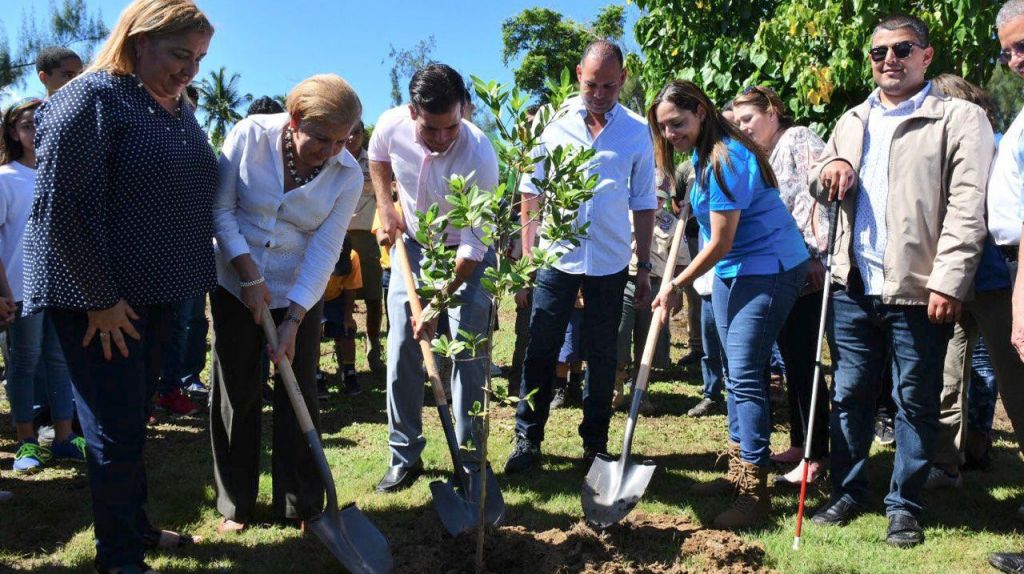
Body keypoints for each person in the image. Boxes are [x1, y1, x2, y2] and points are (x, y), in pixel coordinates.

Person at [24, 1, 217, 571]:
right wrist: (101, 300)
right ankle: (119, 557)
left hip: (156, 290)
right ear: (138, 40)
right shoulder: (90, 98)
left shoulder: (175, 106)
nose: (191, 71)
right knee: (114, 429)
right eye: (181, 54)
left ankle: (133, 527)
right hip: (98, 299)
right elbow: (63, 210)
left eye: (200, 58)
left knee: (133, 420)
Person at [808, 14, 993, 548]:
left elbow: (967, 206)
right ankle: (846, 490)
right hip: (853, 283)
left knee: (914, 399)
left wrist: (949, 281)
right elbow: (823, 186)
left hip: (919, 286)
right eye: (879, 52)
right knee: (850, 393)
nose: (890, 59)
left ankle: (904, 504)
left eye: (903, 49)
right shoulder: (851, 118)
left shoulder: (957, 119)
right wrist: (831, 169)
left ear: (926, 56)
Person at [649, 80, 808, 529]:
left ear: (701, 111)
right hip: (733, 270)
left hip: (770, 267)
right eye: (663, 128)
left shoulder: (726, 158)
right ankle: (739, 470)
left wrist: (676, 282)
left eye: (677, 123)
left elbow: (720, 241)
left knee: (745, 374)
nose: (671, 134)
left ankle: (753, 494)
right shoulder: (701, 156)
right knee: (732, 367)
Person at [209, 74, 363, 534]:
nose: (331, 151)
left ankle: (301, 501)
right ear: (294, 120)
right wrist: (248, 276)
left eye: (342, 140)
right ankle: (236, 502)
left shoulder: (347, 174)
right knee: (238, 386)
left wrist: (295, 317)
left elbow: (325, 247)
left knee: (300, 387)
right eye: (321, 139)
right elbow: (221, 210)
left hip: (299, 287)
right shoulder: (248, 135)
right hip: (236, 279)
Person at [504, 40, 657, 473]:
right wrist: (530, 254)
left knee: (603, 354)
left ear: (623, 80)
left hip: (610, 262)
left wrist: (644, 265)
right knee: (541, 350)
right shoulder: (551, 125)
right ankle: (527, 440)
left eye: (610, 86)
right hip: (556, 258)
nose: (600, 94)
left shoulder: (635, 131)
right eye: (592, 85)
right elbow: (530, 192)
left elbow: (644, 201)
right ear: (578, 75)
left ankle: (595, 446)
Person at [369, 63, 499, 492]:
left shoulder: (480, 153)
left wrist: (436, 304)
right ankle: (404, 455)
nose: (442, 138)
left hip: (467, 255)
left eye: (451, 127)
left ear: (463, 109)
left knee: (469, 353)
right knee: (403, 347)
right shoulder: (390, 125)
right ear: (412, 113)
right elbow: (377, 157)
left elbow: (472, 248)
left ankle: (471, 459)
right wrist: (387, 209)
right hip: (414, 248)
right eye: (431, 129)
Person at [925, 73, 1024, 492]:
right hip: (954, 279)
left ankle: (983, 450)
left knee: (1012, 380)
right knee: (946, 374)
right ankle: (946, 463)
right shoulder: (942, 147)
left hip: (996, 277)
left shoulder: (994, 144)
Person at [732, 85, 829, 487]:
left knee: (807, 361)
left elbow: (816, 200)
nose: (743, 128)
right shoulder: (763, 156)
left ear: (772, 111)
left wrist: (814, 255)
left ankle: (817, 454)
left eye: (748, 119)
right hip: (783, 271)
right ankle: (799, 442)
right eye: (736, 123)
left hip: (806, 266)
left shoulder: (798, 138)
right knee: (791, 358)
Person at [0, 97, 85, 473]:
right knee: (24, 362)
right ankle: (26, 441)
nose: (36, 131)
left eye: (42, 123)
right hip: (20, 289)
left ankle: (65, 438)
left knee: (60, 360)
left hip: (61, 288)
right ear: (14, 133)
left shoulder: (63, 173)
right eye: (28, 125)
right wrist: (3, 292)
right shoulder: (6, 179)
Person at [343, 119, 386, 375]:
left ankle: (374, 349)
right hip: (338, 240)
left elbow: (383, 200)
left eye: (356, 133)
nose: (351, 138)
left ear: (363, 135)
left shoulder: (374, 163)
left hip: (368, 240)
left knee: (373, 298)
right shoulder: (330, 159)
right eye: (347, 133)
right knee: (336, 301)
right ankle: (344, 359)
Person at [321, 235, 363, 397]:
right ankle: (315, 373)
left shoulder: (352, 257)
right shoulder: (313, 253)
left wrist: (347, 317)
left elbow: (350, 288)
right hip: (312, 295)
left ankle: (349, 371)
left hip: (336, 297)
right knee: (312, 333)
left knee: (347, 330)